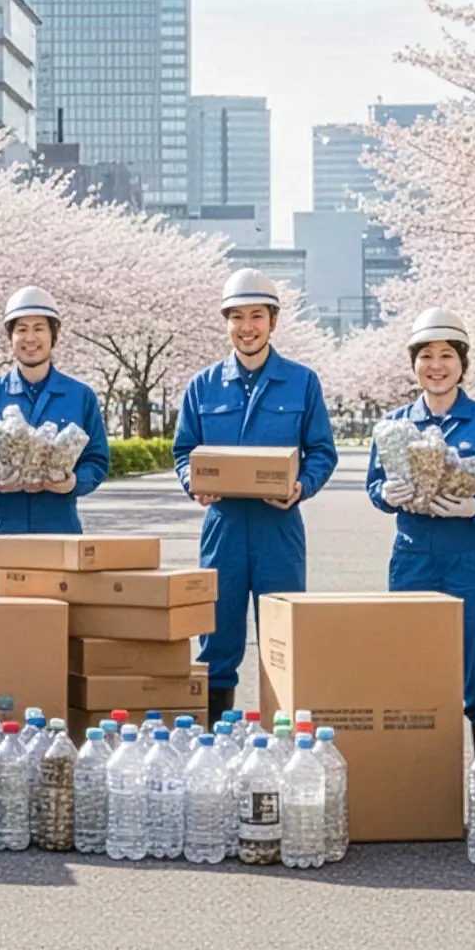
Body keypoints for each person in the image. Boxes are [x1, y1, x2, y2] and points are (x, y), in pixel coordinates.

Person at [174, 267, 338, 723]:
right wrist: (194, 482)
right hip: (223, 527)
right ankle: (213, 740)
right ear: (226, 322)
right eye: (237, 317)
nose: (247, 327)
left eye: (257, 316)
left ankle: (283, 739)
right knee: (217, 639)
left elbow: (322, 451)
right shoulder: (203, 385)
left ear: (273, 321)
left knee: (282, 637)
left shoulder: (301, 382)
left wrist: (302, 486)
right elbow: (184, 450)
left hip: (279, 526)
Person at [366, 309, 475, 748]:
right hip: (412, 556)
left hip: (470, 557)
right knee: (414, 669)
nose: (437, 365)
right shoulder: (395, 425)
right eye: (426, 355)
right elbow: (374, 485)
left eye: (447, 355)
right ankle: (421, 778)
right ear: (413, 363)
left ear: (463, 362)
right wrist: (385, 495)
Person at [0, 286, 111, 594]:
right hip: (5, 522)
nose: (30, 338)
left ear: (53, 335)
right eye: (21, 329)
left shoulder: (80, 395)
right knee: (3, 619)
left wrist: (73, 483)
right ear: (10, 337)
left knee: (63, 620)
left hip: (60, 521)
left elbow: (97, 460)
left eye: (39, 328)